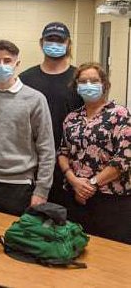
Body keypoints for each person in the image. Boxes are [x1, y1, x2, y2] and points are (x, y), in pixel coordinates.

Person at [0, 40, 54, 216]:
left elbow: (46, 147)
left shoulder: (35, 99)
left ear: (17, 64)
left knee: (13, 239)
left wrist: (42, 190)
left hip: (18, 185)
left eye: (7, 61)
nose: (1, 65)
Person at [58, 63, 131, 244]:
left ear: (105, 84)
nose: (88, 85)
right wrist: (74, 181)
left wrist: (90, 185)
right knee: (76, 247)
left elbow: (124, 159)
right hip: (76, 197)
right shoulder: (71, 118)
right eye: (83, 81)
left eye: (94, 81)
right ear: (76, 86)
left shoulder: (120, 115)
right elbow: (62, 152)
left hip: (111, 201)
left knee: (110, 255)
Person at [20, 22, 84, 207]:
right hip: (32, 162)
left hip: (69, 165)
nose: (54, 43)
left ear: (68, 43)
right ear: (41, 42)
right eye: (50, 39)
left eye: (59, 40)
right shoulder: (26, 79)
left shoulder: (79, 79)